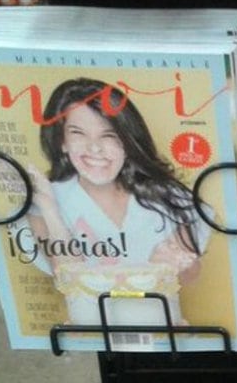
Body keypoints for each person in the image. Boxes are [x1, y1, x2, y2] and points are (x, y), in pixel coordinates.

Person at [26, 78, 211, 286]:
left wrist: (173, 266)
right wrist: (50, 211)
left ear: (127, 141)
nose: (94, 148)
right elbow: (70, 283)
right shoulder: (44, 201)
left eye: (108, 135)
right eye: (78, 133)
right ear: (62, 142)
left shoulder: (171, 197)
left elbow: (189, 277)